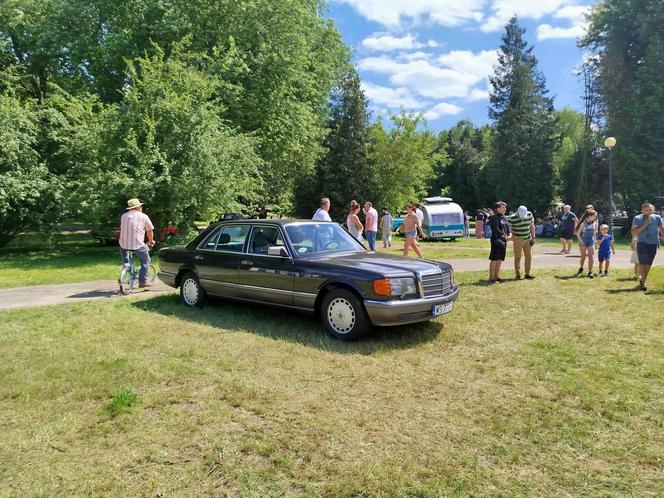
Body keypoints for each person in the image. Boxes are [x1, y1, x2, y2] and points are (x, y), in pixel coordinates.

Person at [119, 198, 155, 288]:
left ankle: (126, 269)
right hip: (137, 245)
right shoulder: (143, 216)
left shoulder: (123, 216)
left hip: (123, 245)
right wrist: (151, 241)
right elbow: (149, 231)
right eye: (141, 206)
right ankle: (143, 282)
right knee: (146, 261)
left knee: (127, 260)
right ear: (138, 207)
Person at [631, 202, 664, 291]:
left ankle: (642, 279)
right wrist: (645, 224)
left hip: (653, 243)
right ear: (642, 210)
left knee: (649, 263)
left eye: (650, 210)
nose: (649, 212)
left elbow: (662, 229)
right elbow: (633, 232)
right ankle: (644, 282)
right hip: (642, 243)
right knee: (643, 262)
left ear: (653, 210)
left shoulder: (657, 217)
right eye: (646, 210)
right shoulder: (637, 218)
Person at [508, 205, 536, 280]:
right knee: (518, 257)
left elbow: (532, 226)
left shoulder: (529, 214)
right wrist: (512, 236)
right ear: (518, 212)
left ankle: (527, 274)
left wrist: (533, 237)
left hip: (527, 238)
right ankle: (518, 274)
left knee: (529, 256)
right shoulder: (512, 217)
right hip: (518, 239)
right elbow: (509, 228)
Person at [488, 201, 512, 284]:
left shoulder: (504, 217)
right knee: (494, 259)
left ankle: (496, 276)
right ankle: (491, 278)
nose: (505, 209)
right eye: (503, 207)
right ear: (498, 208)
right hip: (496, 240)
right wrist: (503, 236)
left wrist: (509, 235)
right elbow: (495, 228)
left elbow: (508, 228)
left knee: (500, 259)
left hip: (503, 240)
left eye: (505, 207)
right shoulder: (494, 217)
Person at [575, 209, 598, 278]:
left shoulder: (594, 223)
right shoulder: (583, 223)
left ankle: (590, 272)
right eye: (594, 216)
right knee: (583, 257)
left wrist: (595, 242)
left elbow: (594, 234)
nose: (595, 217)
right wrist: (580, 240)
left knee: (591, 257)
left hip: (591, 241)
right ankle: (581, 268)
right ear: (589, 216)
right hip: (583, 241)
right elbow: (577, 233)